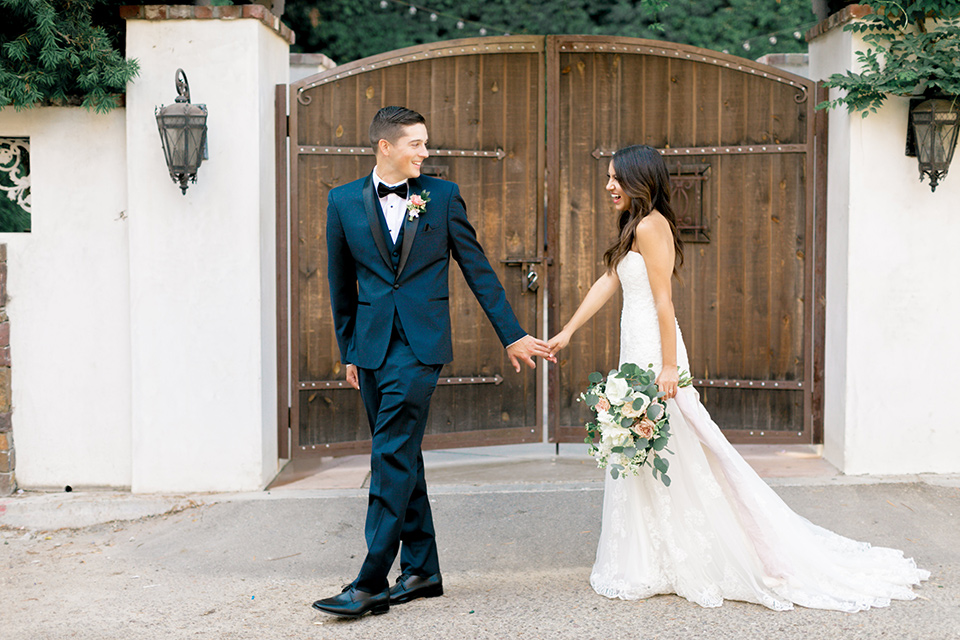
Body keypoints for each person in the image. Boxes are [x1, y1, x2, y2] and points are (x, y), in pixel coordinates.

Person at [547, 145, 929, 611]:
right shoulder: (635, 225)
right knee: (649, 450)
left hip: (655, 353)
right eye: (607, 178)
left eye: (615, 179)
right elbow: (609, 280)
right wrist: (567, 331)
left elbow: (664, 302)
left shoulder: (650, 226)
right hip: (637, 351)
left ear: (638, 180)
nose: (608, 186)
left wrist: (668, 365)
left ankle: (712, 549)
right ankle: (653, 554)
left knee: (678, 447)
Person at [314, 106, 554, 618]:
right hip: (372, 347)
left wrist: (511, 335)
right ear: (385, 147)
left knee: (390, 453)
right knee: (402, 455)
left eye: (426, 144)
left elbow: (478, 268)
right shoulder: (341, 203)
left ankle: (370, 581)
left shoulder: (441, 198)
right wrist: (349, 351)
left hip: (420, 349)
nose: (426, 152)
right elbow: (341, 286)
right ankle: (422, 570)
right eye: (416, 144)